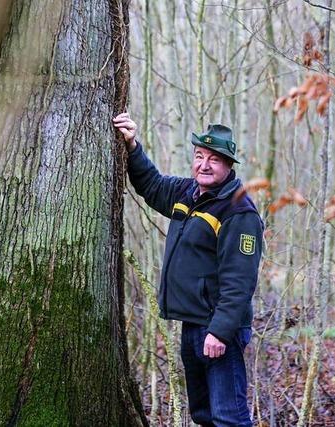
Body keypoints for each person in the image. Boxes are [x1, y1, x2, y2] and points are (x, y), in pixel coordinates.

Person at [113, 112, 262, 426]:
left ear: (229, 165)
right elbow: (151, 185)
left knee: (229, 418)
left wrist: (220, 332)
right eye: (199, 156)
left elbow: (240, 281)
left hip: (219, 330)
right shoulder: (188, 194)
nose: (204, 165)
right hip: (193, 324)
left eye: (214, 160)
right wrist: (132, 145)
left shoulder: (239, 212)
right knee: (205, 416)